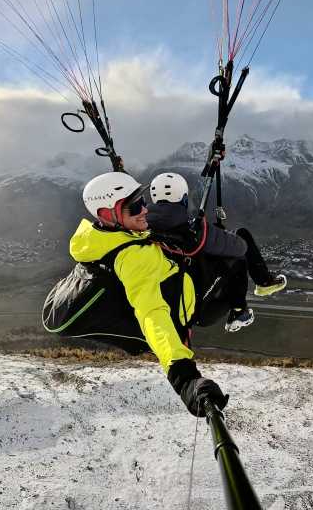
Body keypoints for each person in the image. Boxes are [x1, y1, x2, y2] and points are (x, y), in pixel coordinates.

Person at [69, 171, 228, 417]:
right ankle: (240, 310)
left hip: (176, 282)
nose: (145, 210)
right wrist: (184, 377)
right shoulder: (132, 258)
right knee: (232, 261)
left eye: (143, 201)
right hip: (186, 309)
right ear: (105, 214)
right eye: (134, 207)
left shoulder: (106, 236)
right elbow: (152, 312)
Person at [146, 172, 286, 332]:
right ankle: (243, 308)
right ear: (184, 199)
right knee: (239, 248)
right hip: (199, 310)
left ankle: (258, 289)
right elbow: (240, 246)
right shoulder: (195, 231)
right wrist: (217, 233)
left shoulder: (141, 229)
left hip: (164, 308)